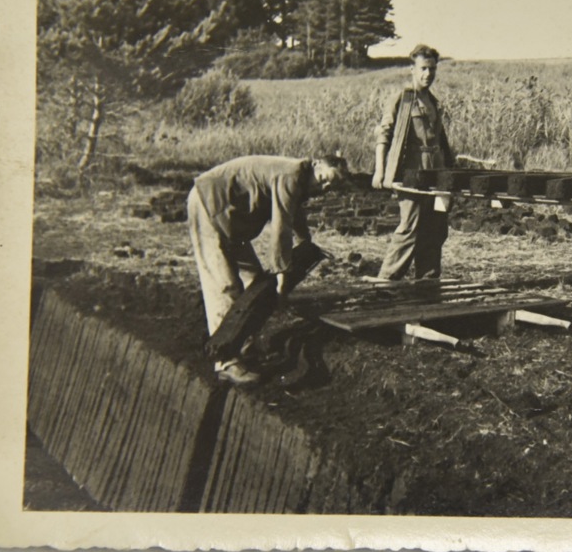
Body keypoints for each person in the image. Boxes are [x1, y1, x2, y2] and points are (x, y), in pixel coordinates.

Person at [187, 154, 350, 382]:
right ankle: (225, 361)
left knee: (255, 282)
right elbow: (281, 226)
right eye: (323, 179)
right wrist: (282, 272)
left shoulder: (300, 181)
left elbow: (295, 214)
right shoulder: (290, 174)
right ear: (316, 164)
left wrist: (305, 242)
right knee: (224, 284)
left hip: (232, 217)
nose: (323, 187)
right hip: (210, 204)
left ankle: (244, 345)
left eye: (329, 186)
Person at [371, 44, 456, 280]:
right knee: (410, 228)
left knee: (436, 230)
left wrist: (451, 171)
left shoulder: (434, 102)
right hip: (412, 174)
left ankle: (427, 284)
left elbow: (441, 140)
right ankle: (385, 283)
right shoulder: (403, 99)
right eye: (423, 68)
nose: (427, 74)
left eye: (432, 69)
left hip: (436, 175)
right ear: (412, 69)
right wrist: (380, 171)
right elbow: (384, 134)